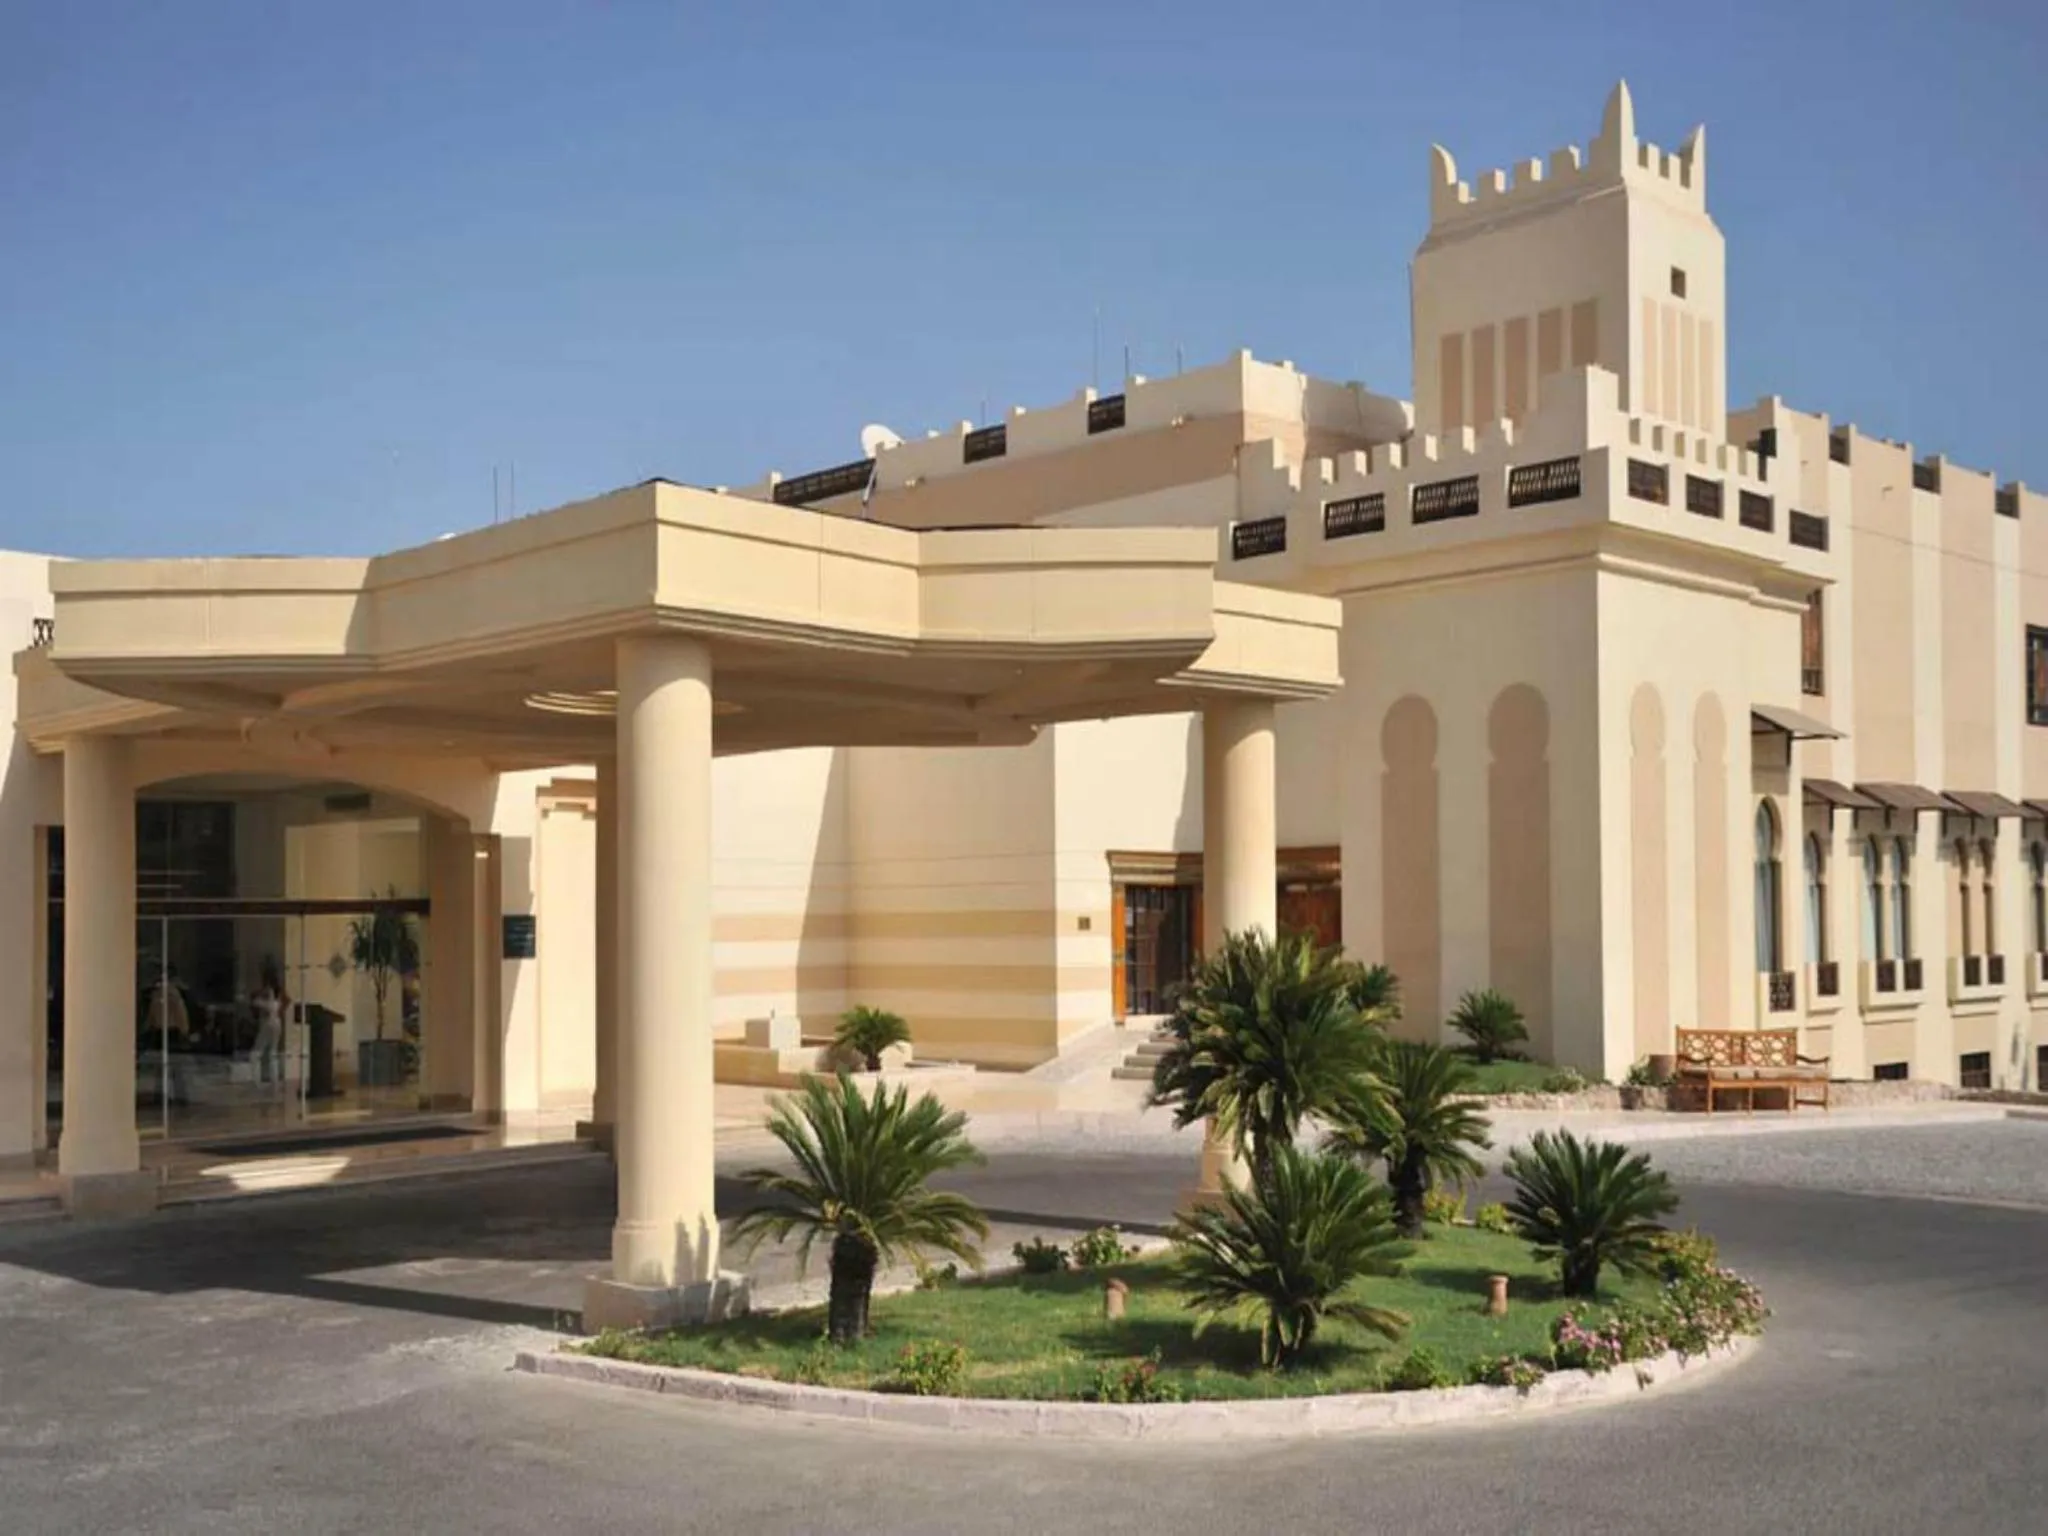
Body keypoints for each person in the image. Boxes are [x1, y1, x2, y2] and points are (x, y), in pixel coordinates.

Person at [250, 962, 289, 1089]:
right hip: (277, 1022)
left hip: (268, 1022)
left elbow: (258, 1002)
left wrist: (258, 1002)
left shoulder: (267, 990)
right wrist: (279, 1010)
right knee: (273, 1052)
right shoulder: (279, 990)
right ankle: (275, 1082)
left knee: (255, 1054)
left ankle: (256, 1082)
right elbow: (286, 1001)